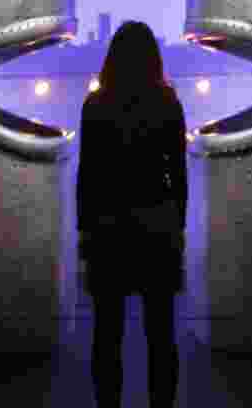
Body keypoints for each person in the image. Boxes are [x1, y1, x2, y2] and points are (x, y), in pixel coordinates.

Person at [76, 21, 187, 408]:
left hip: (109, 229)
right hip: (157, 227)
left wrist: (84, 233)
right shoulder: (168, 104)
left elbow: (87, 177)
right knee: (161, 335)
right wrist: (179, 228)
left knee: (107, 335)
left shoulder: (96, 106)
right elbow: (179, 174)